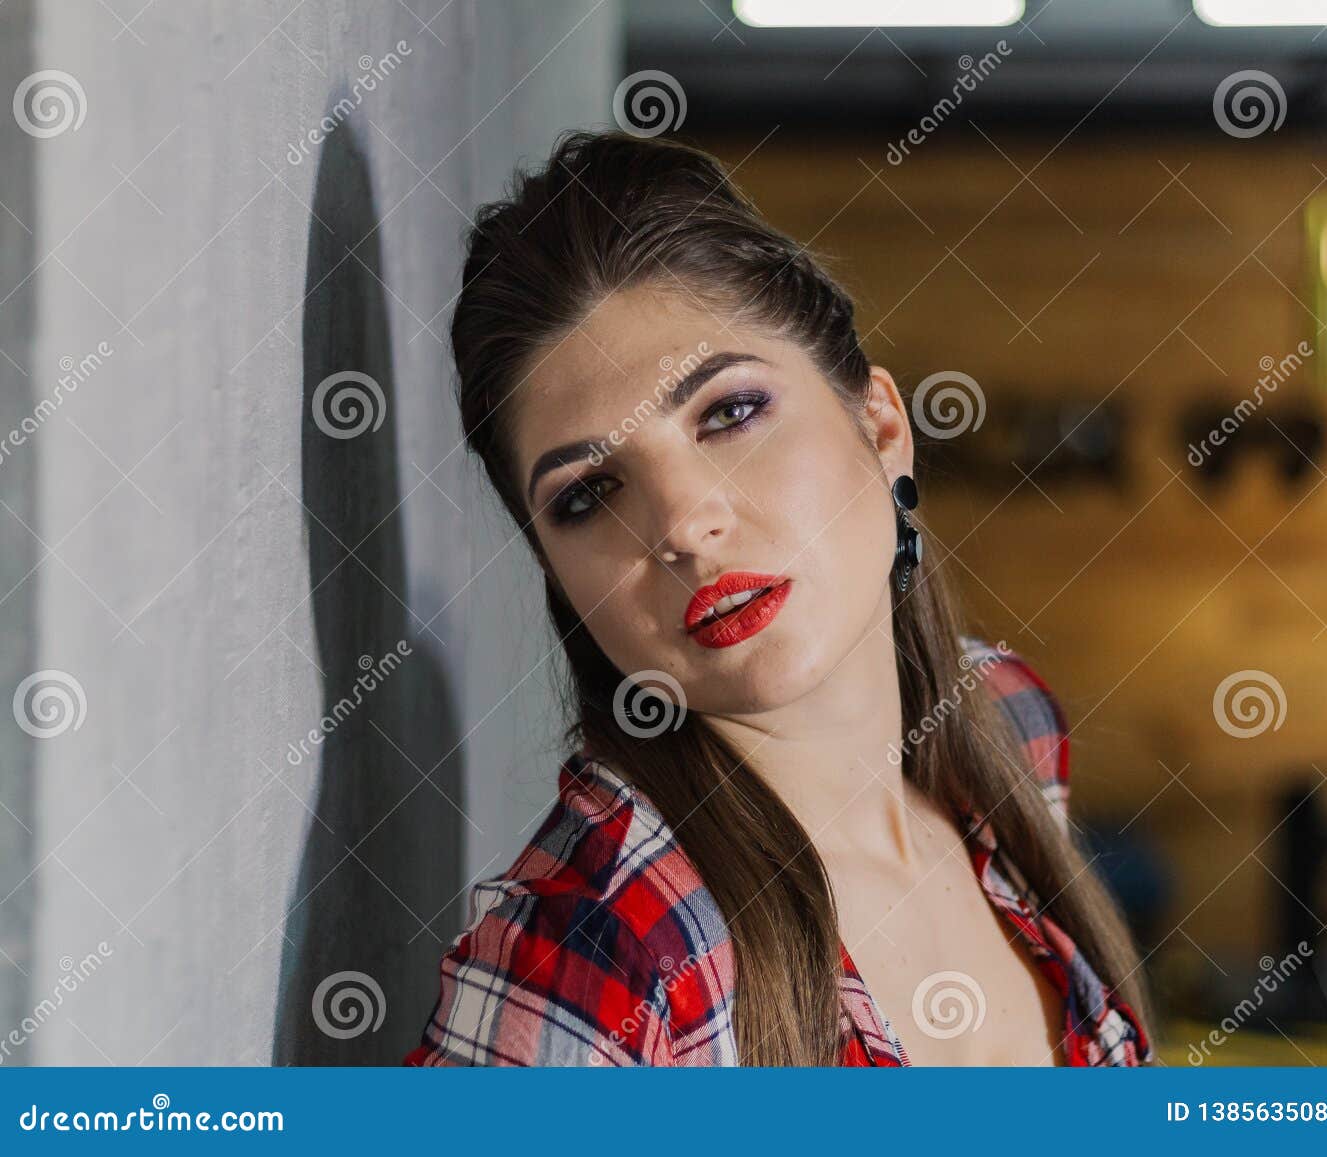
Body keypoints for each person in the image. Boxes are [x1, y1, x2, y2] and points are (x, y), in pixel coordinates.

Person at [403, 128, 1153, 1067]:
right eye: (589, 495)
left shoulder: (1008, 721)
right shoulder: (592, 956)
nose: (682, 524)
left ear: (880, 425)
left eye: (729, 413)